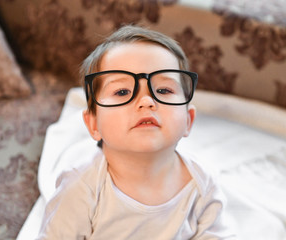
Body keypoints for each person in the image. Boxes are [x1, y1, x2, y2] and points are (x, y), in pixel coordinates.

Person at [37, 25, 235, 239]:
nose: (147, 101)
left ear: (188, 120)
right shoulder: (80, 189)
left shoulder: (202, 182)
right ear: (93, 124)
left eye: (163, 90)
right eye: (122, 92)